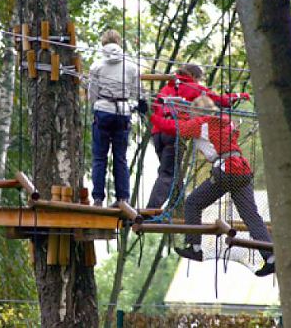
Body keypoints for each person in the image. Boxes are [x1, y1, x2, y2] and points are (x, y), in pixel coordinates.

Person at [150, 96, 275, 277]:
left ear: (197, 112)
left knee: (193, 203)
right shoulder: (227, 122)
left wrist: (151, 115)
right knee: (251, 216)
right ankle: (270, 257)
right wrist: (182, 111)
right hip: (242, 169)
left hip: (225, 171)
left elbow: (174, 128)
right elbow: (195, 125)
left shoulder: (201, 124)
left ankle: (195, 247)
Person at [146, 64, 250, 209]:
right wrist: (240, 95)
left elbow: (155, 109)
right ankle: (151, 209)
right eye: (199, 79)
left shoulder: (165, 89)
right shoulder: (195, 88)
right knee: (169, 174)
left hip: (157, 134)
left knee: (171, 171)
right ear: (194, 77)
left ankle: (177, 206)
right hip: (174, 133)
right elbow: (220, 100)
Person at [89, 29, 147, 207]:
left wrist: (95, 106)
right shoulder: (131, 66)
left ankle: (98, 198)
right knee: (120, 157)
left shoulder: (96, 65)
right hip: (122, 112)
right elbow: (139, 92)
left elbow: (92, 93)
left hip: (103, 111)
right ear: (119, 43)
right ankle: (123, 198)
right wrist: (141, 104)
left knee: (100, 157)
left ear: (103, 44)